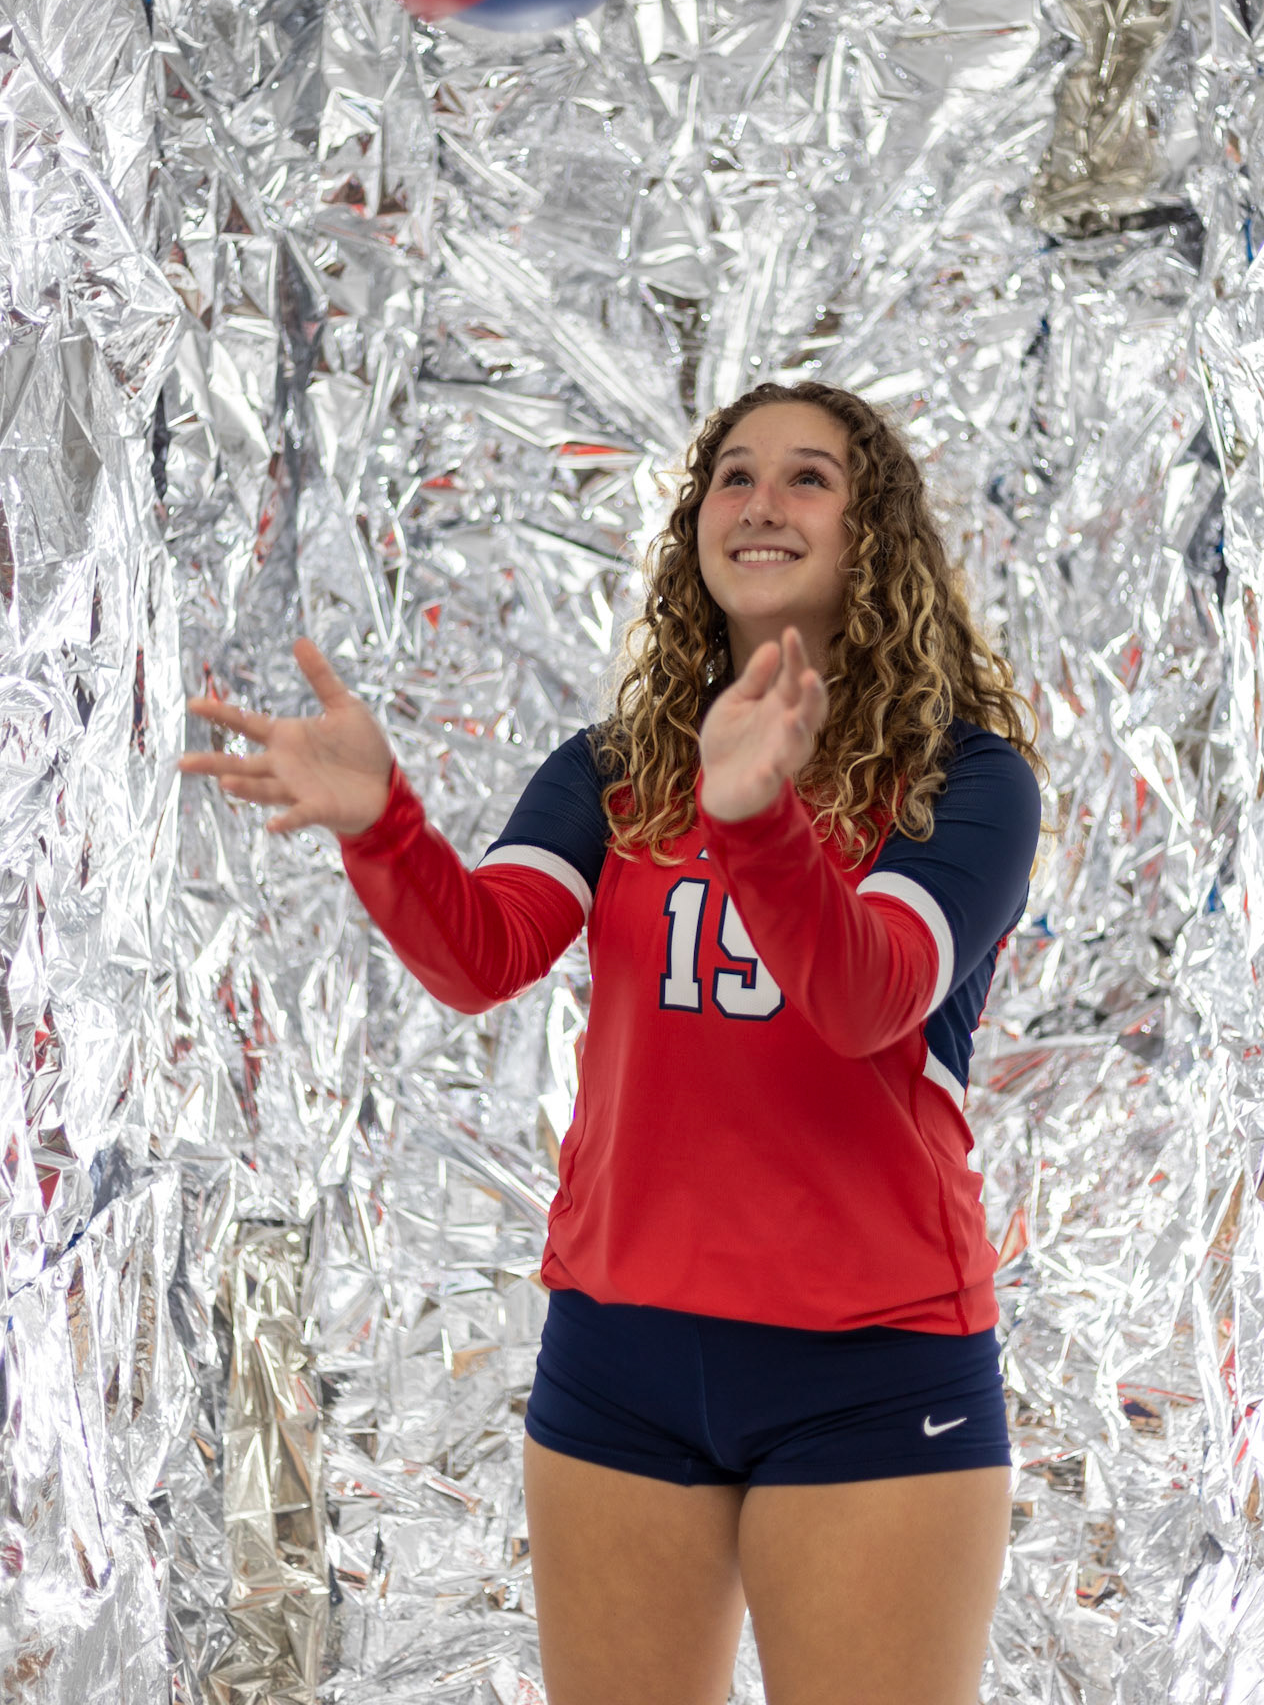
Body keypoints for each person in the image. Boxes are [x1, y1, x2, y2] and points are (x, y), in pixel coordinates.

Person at [178, 379, 1045, 1705]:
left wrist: (756, 818)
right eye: (731, 475)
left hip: (871, 1367)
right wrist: (383, 826)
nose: (759, 501)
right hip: (619, 1362)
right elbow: (484, 954)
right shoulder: (615, 768)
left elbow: (868, 996)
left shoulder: (959, 779)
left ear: (875, 535)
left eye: (808, 476)